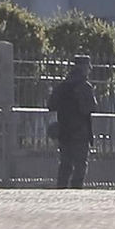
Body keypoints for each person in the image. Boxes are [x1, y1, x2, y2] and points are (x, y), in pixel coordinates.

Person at [47, 56, 97, 188]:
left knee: (65, 163)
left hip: (64, 130)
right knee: (80, 164)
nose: (90, 69)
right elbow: (91, 107)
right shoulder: (85, 87)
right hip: (80, 132)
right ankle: (76, 189)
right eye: (88, 67)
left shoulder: (62, 86)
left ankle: (61, 187)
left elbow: (51, 105)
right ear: (84, 68)